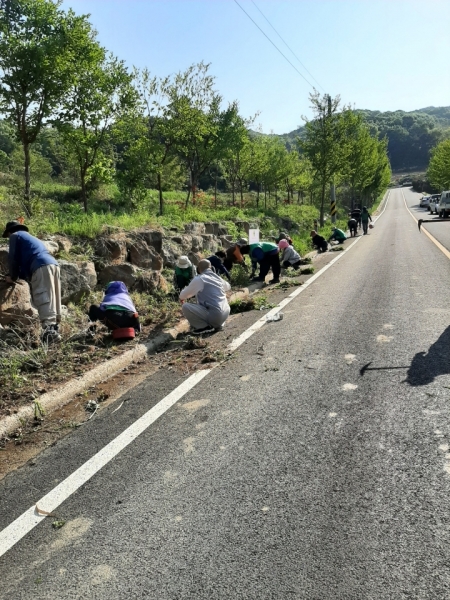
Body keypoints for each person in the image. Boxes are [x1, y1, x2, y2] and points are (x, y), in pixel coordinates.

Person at [2, 220, 61, 343]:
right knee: (53, 296)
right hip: (53, 264)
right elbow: (25, 263)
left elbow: (13, 258)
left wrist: (12, 277)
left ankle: (49, 331)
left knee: (43, 295)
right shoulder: (31, 239)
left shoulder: (15, 236)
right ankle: (55, 329)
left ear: (9, 232)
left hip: (40, 266)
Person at [179, 259, 231, 335]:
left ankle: (204, 327)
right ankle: (217, 324)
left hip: (216, 315)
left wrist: (182, 298)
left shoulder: (200, 279)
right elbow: (228, 287)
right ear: (211, 267)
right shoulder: (217, 277)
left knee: (186, 306)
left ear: (198, 269)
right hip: (226, 313)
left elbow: (182, 295)